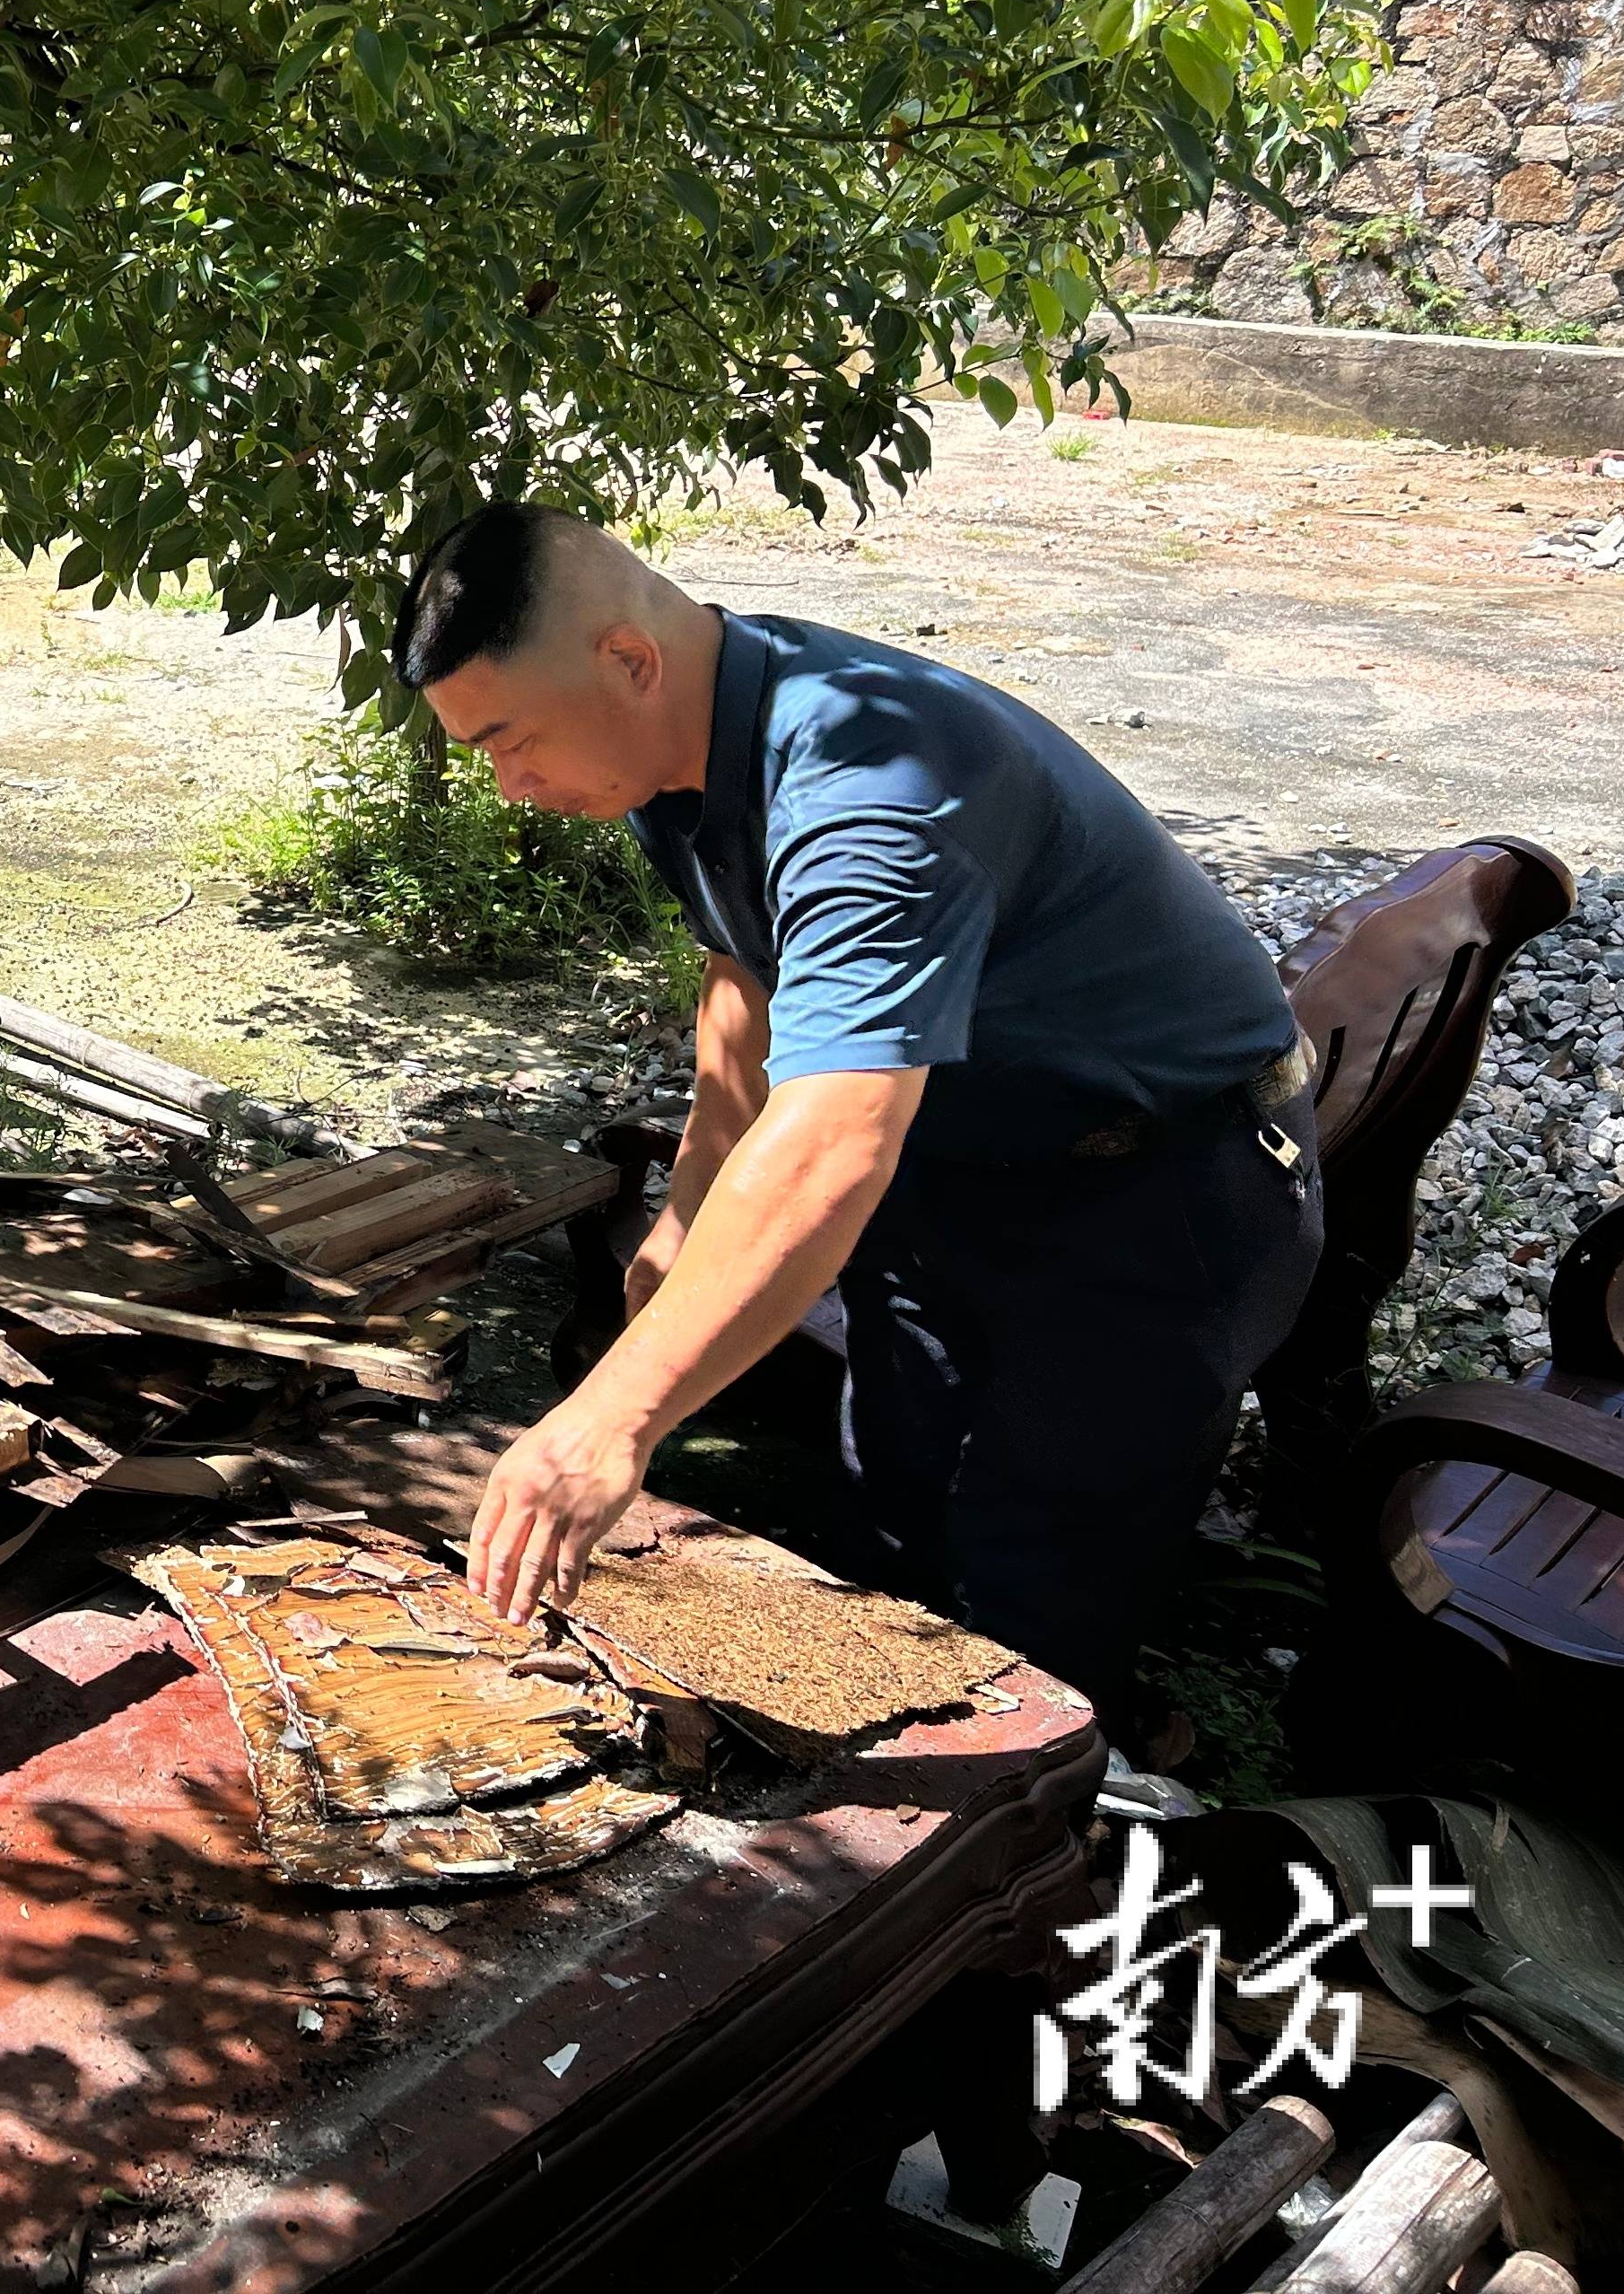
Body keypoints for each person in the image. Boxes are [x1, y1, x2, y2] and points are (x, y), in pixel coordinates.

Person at [406, 503, 1323, 1739]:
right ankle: (873, 1763)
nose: (512, 787)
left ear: (628, 661)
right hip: (962, 1174)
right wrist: (686, 1208)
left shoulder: (875, 791)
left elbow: (836, 1140)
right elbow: (748, 974)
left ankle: (1039, 1840)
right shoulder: (677, 740)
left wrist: (609, 1422)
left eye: (513, 742)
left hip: (1155, 1196)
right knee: (888, 1514)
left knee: (1034, 1576)